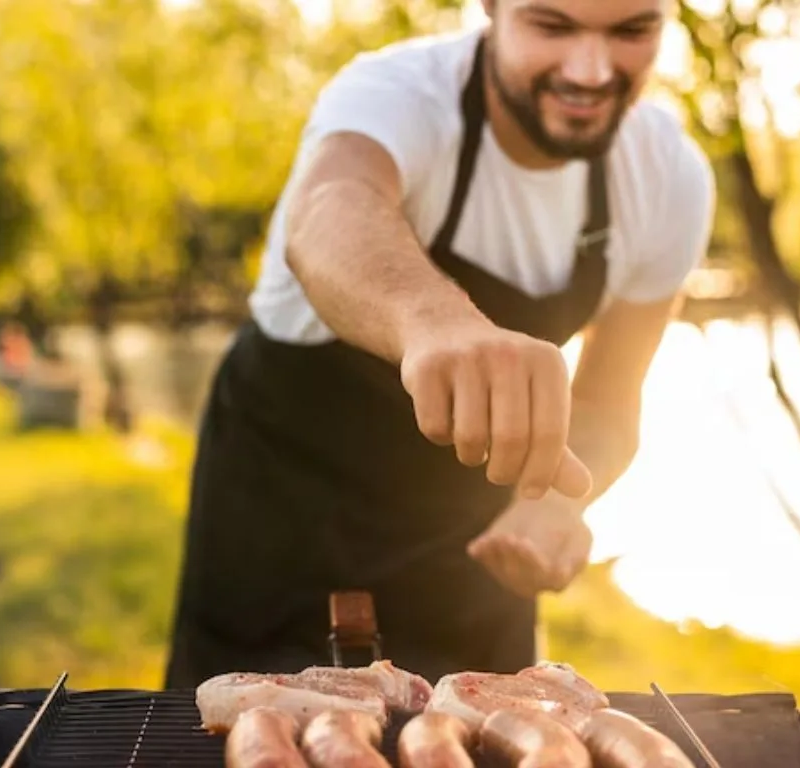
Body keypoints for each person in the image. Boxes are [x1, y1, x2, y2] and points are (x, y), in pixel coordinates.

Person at [164, 0, 715, 687]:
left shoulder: (669, 176)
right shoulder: (395, 95)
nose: (591, 70)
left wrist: (556, 500)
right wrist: (436, 322)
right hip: (285, 518)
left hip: (472, 550)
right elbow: (329, 207)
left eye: (632, 30)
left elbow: (607, 403)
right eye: (552, 26)